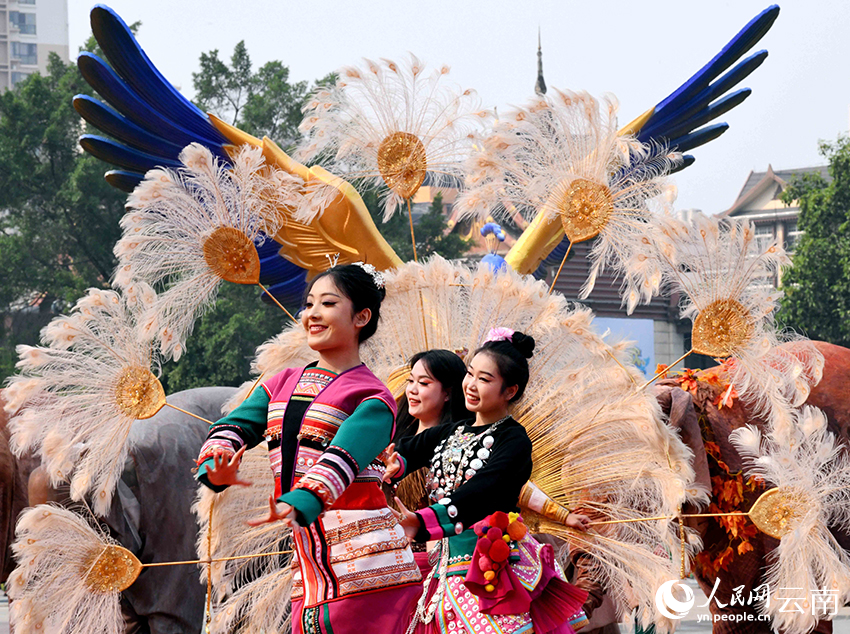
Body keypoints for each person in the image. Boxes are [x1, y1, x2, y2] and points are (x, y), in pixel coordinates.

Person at [195, 263, 422, 634]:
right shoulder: (282, 382)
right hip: (309, 564)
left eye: (328, 304)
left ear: (361, 317)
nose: (312, 314)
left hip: (370, 568)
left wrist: (300, 500)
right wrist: (215, 465)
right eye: (309, 304)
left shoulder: (373, 398)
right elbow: (232, 426)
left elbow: (341, 460)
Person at [384, 328, 591, 634]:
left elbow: (483, 490)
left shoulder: (514, 440)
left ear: (510, 391)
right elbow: (409, 450)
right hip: (443, 562)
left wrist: (424, 521)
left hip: (494, 566)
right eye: (470, 374)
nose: (471, 384)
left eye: (484, 379)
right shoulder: (451, 432)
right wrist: (391, 464)